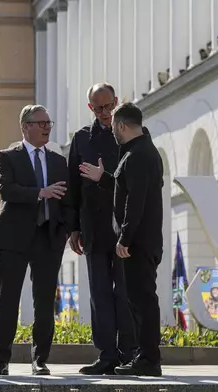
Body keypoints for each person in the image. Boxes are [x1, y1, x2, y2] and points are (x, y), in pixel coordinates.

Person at [0, 105, 74, 376]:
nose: (47, 127)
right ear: (25, 127)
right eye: (41, 123)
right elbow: (7, 190)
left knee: (45, 301)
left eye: (49, 122)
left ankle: (40, 360)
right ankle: (1, 360)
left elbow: (69, 201)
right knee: (8, 299)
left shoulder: (59, 161)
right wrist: (41, 192)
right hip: (14, 237)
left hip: (48, 237)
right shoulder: (7, 157)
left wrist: (66, 230)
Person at [79, 102, 163, 377]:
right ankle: (143, 356)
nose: (111, 130)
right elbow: (123, 186)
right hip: (142, 240)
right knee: (137, 301)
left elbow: (135, 202)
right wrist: (104, 178)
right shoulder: (138, 152)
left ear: (122, 126)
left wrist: (124, 238)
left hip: (138, 242)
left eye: (114, 125)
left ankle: (149, 359)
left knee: (143, 301)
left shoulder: (138, 155)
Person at [68, 83, 136, 375]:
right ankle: (106, 353)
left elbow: (139, 179)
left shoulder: (131, 134)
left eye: (109, 106)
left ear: (117, 102)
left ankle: (130, 352)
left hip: (124, 227)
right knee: (99, 293)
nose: (106, 112)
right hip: (93, 227)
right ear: (90, 109)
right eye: (99, 108)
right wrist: (73, 228)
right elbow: (72, 186)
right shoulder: (81, 138)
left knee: (125, 291)